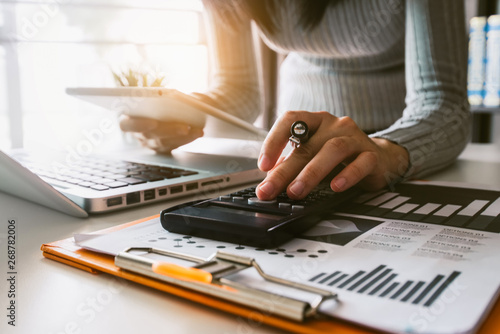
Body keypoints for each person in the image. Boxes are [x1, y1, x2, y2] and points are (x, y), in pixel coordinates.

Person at [120, 0, 470, 201]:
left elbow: (445, 104)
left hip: (394, 142)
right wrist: (180, 112)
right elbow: (239, 89)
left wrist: (386, 150)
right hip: (292, 152)